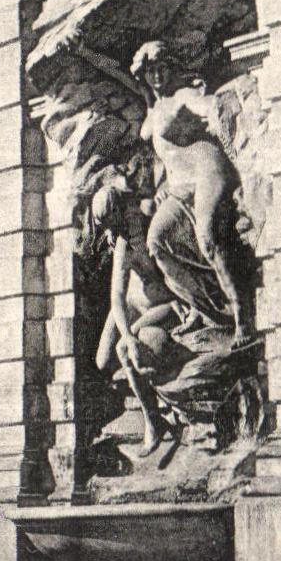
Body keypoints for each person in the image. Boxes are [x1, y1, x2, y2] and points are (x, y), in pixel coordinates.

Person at [130, 41, 254, 348]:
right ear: (144, 75)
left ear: (171, 68)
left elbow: (207, 106)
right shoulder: (153, 107)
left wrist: (212, 106)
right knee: (157, 243)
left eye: (162, 67)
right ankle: (206, 310)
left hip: (207, 170)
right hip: (178, 186)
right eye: (150, 70)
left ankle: (243, 317)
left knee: (209, 238)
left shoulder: (183, 96)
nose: (157, 75)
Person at [90, 178, 179, 456]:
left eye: (110, 222)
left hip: (162, 303)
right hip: (132, 302)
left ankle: (153, 420)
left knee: (123, 350)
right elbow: (116, 294)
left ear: (119, 211)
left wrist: (128, 339)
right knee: (103, 360)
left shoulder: (149, 214)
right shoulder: (122, 244)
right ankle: (144, 392)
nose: (109, 231)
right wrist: (127, 332)